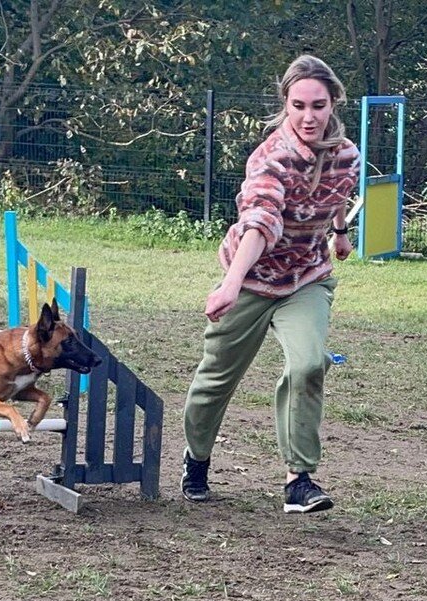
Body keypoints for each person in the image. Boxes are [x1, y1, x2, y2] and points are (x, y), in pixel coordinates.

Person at [181, 55, 360, 513]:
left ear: (333, 103)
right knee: (215, 381)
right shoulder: (270, 159)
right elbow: (260, 222)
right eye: (298, 105)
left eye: (318, 105)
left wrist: (340, 234)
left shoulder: (347, 156)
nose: (308, 116)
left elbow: (337, 194)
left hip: (306, 279)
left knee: (307, 366)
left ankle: (298, 480)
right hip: (250, 277)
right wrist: (230, 283)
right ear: (286, 103)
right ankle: (196, 459)